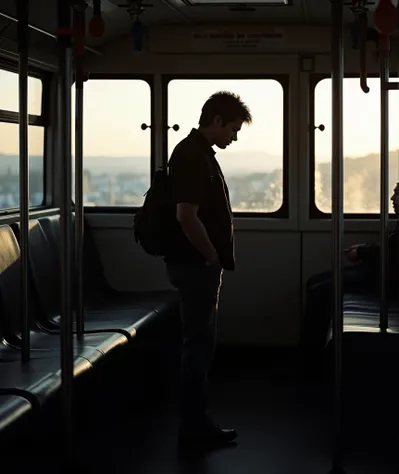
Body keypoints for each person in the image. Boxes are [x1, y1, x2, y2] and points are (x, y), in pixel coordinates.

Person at [164, 91, 252, 449]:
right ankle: (194, 428)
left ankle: (196, 423)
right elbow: (186, 215)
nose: (234, 136)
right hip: (195, 265)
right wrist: (211, 255)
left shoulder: (199, 154)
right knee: (198, 346)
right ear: (216, 121)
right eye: (232, 128)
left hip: (197, 264)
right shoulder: (191, 157)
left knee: (200, 344)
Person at [299, 178, 399, 372]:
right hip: (388, 275)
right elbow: (394, 250)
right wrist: (364, 250)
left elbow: (395, 255)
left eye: (398, 193)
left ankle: (312, 366)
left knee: (319, 291)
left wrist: (363, 252)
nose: (393, 198)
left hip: (393, 282)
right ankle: (313, 359)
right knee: (314, 282)